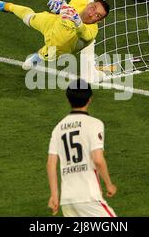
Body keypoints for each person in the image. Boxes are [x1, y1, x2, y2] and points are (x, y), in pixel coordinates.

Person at [46, 79, 117, 217]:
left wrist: (54, 195)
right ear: (90, 99)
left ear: (68, 100)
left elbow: (50, 164)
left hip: (67, 200)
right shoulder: (94, 124)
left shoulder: (58, 128)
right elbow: (98, 159)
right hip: (88, 196)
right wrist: (109, 184)